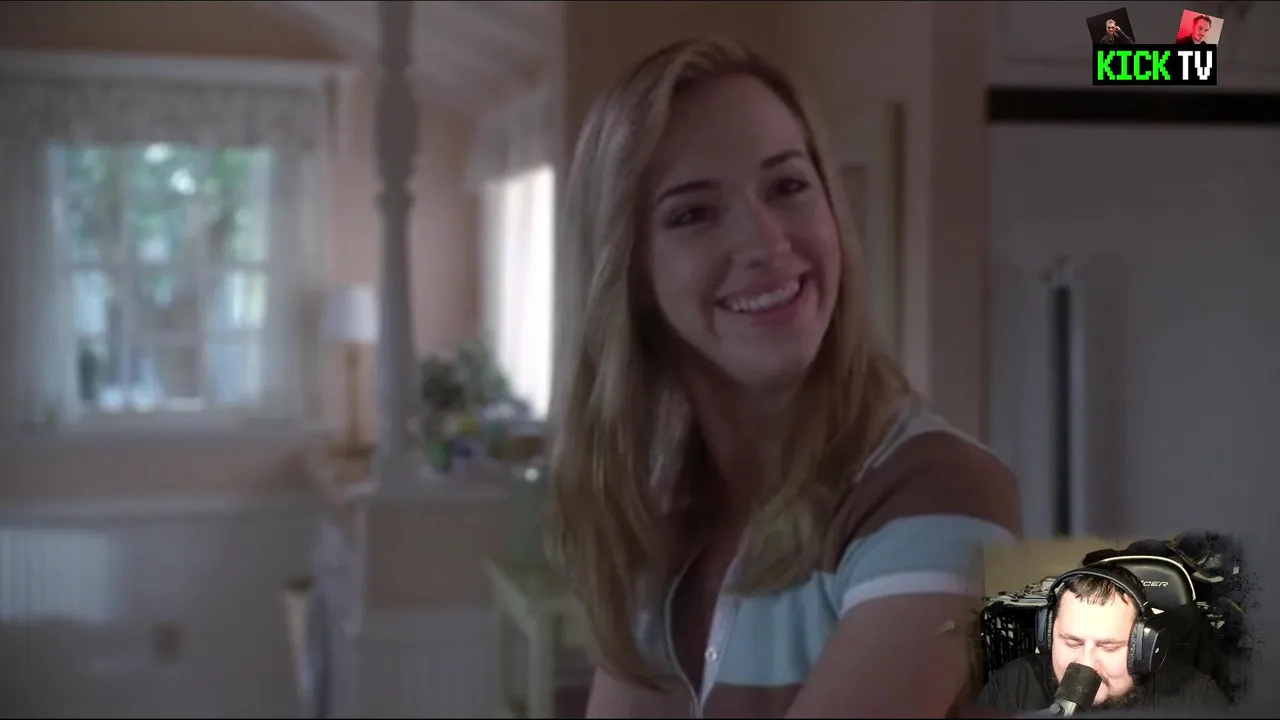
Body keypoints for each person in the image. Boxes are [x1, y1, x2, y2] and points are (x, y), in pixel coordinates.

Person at [546, 35, 1024, 719]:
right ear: (631, 274)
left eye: (788, 186)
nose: (767, 243)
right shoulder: (668, 506)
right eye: (694, 213)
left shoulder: (938, 493)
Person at [976, 566, 1232, 714]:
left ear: (1143, 648)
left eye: (1109, 647)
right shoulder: (1011, 687)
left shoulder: (1195, 699)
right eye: (1072, 643)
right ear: (1048, 636)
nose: (1087, 665)